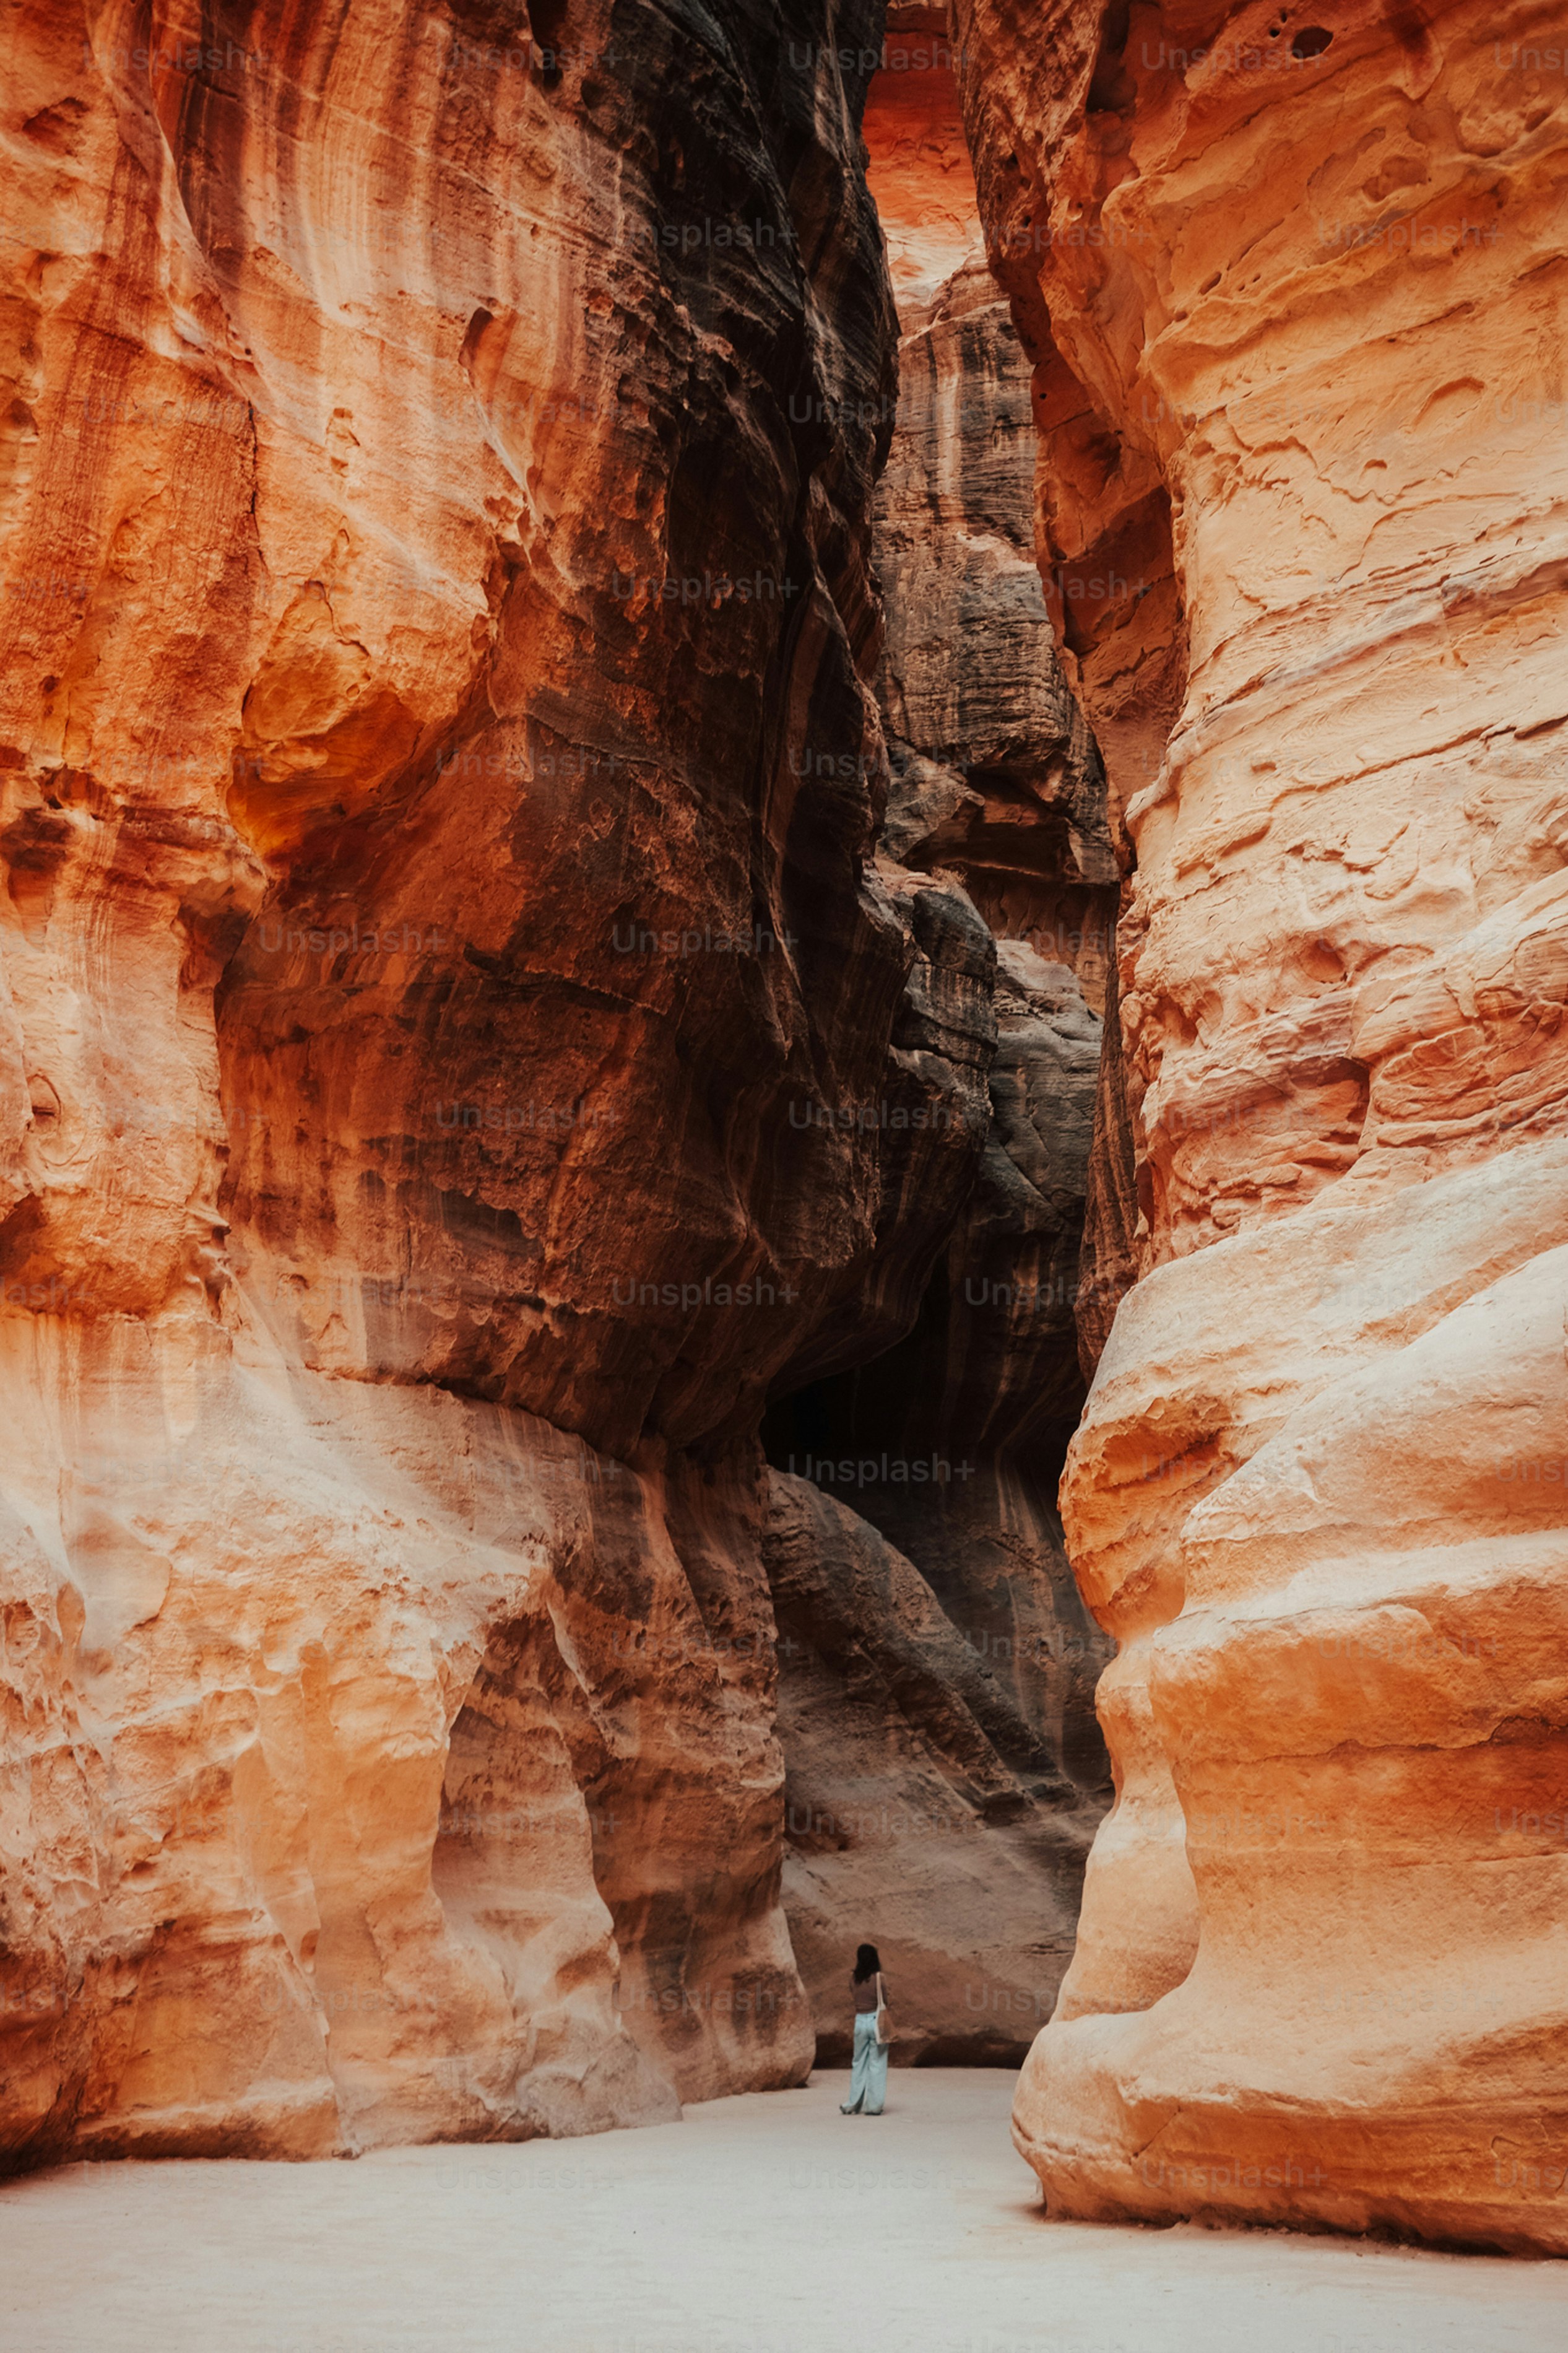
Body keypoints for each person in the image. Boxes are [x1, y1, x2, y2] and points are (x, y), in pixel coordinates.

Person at [840, 1942, 889, 2115]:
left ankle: (852, 2104)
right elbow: (885, 2001)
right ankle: (874, 2106)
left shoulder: (853, 1978)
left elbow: (854, 1996)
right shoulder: (879, 1978)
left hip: (860, 2021)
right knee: (877, 2063)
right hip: (876, 2021)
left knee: (858, 2062)